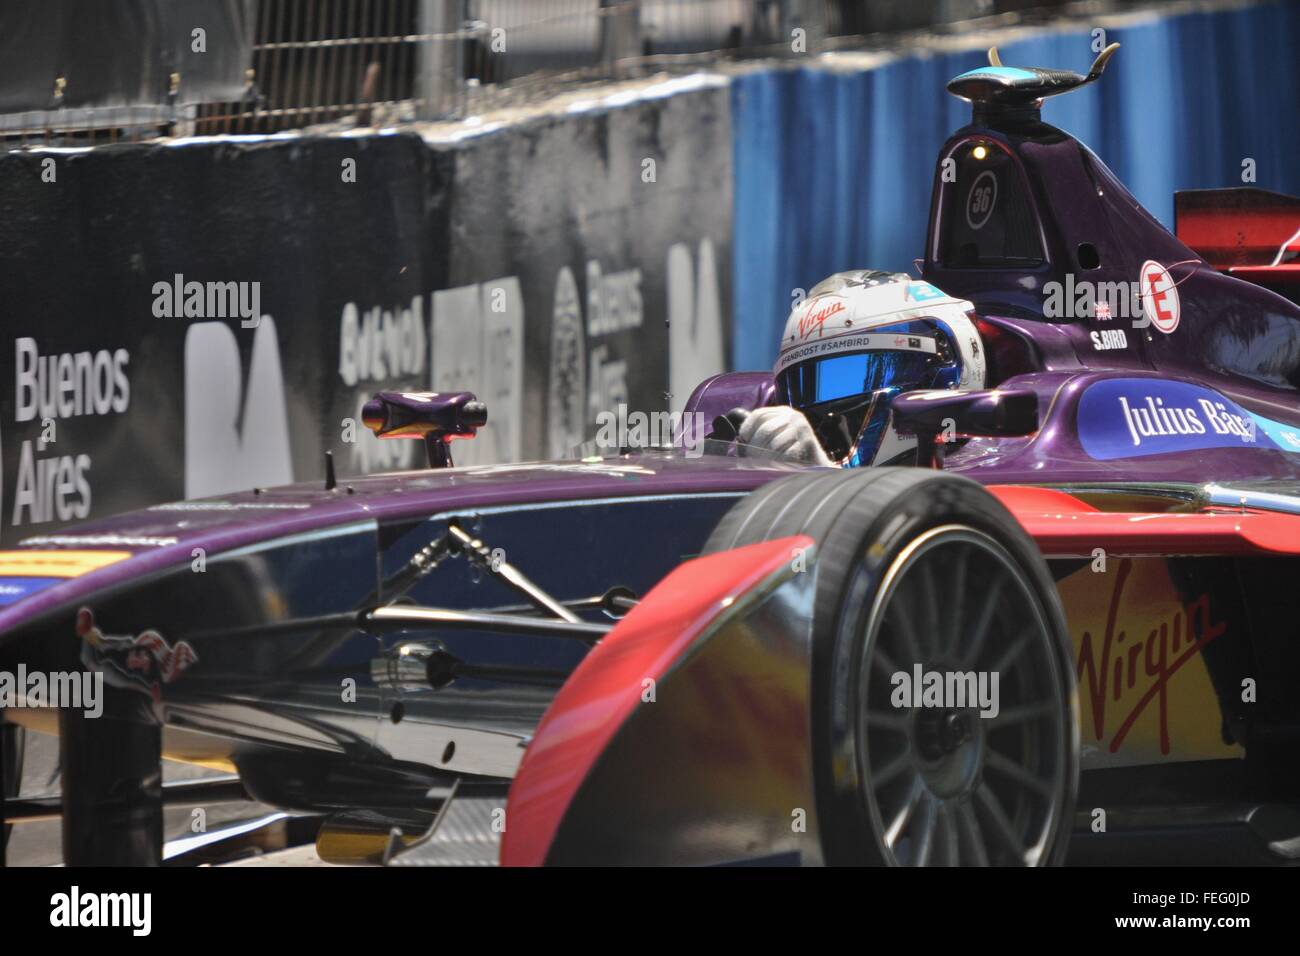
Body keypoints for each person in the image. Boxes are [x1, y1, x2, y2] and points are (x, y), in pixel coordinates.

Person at [739, 270, 986, 466]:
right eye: (808, 386)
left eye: (849, 376)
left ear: (942, 368)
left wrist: (816, 476)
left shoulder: (992, 467)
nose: (819, 411)